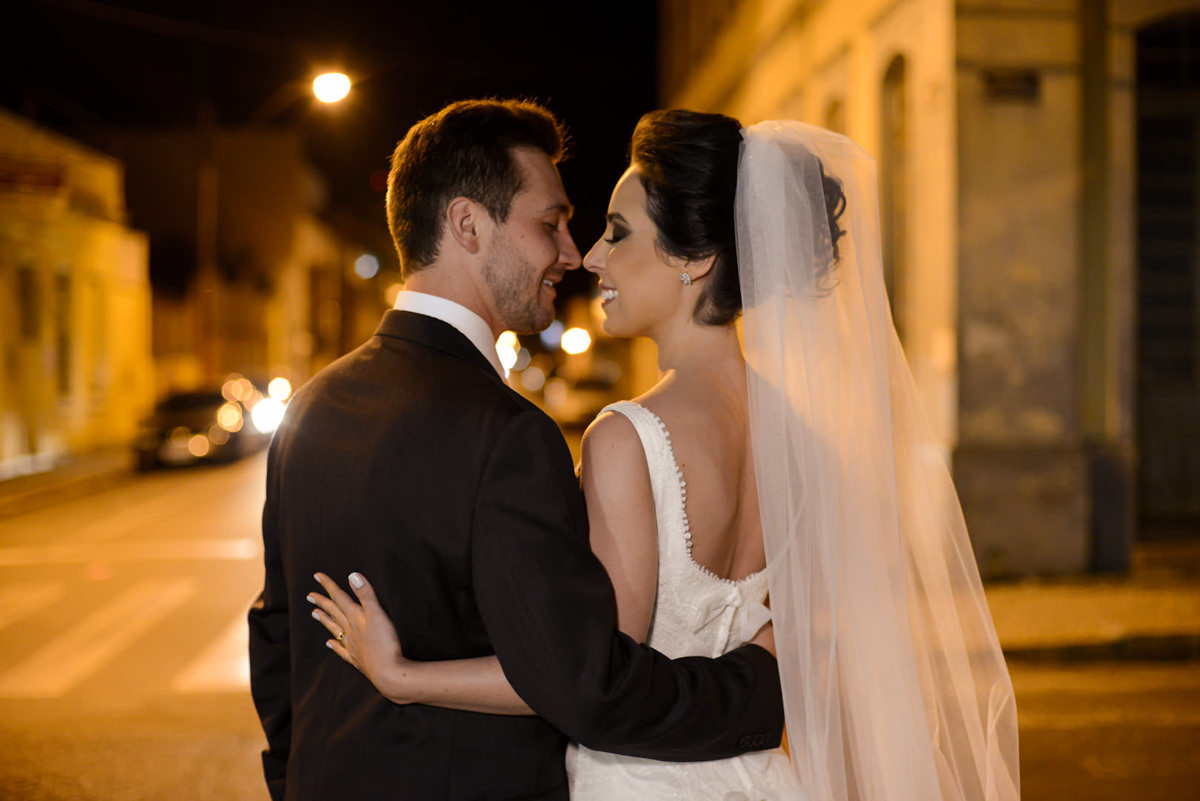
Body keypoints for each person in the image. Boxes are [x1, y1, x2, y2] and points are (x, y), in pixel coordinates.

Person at [311, 110, 1022, 801]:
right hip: (766, 777)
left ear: (696, 259)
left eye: (617, 235)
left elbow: (590, 682)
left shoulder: (629, 436)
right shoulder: (802, 434)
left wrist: (404, 675)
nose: (589, 256)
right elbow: (809, 631)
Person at [247, 99, 785, 801]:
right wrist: (771, 683)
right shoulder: (508, 434)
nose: (573, 253)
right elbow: (584, 681)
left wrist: (297, 782)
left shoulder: (308, 410)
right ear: (467, 224)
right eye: (551, 223)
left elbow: (277, 640)